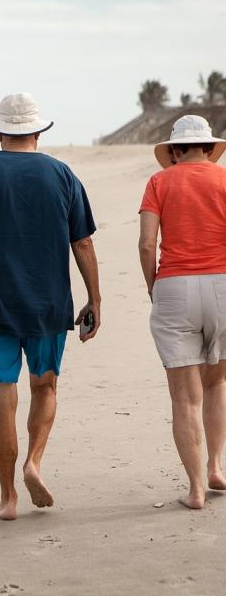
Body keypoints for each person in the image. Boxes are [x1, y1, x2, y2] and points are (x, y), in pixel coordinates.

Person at [0, 93, 101, 520]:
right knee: (45, 387)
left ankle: (8, 497)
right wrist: (95, 298)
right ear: (38, 130)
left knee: (1, 391)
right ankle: (34, 461)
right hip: (49, 304)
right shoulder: (63, 175)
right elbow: (82, 242)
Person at [139, 114, 226, 509]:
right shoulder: (224, 179)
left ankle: (194, 490)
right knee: (216, 383)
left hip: (174, 284)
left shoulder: (160, 182)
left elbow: (146, 244)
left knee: (184, 397)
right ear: (210, 148)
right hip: (223, 282)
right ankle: (216, 467)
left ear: (174, 151)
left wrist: (154, 287)